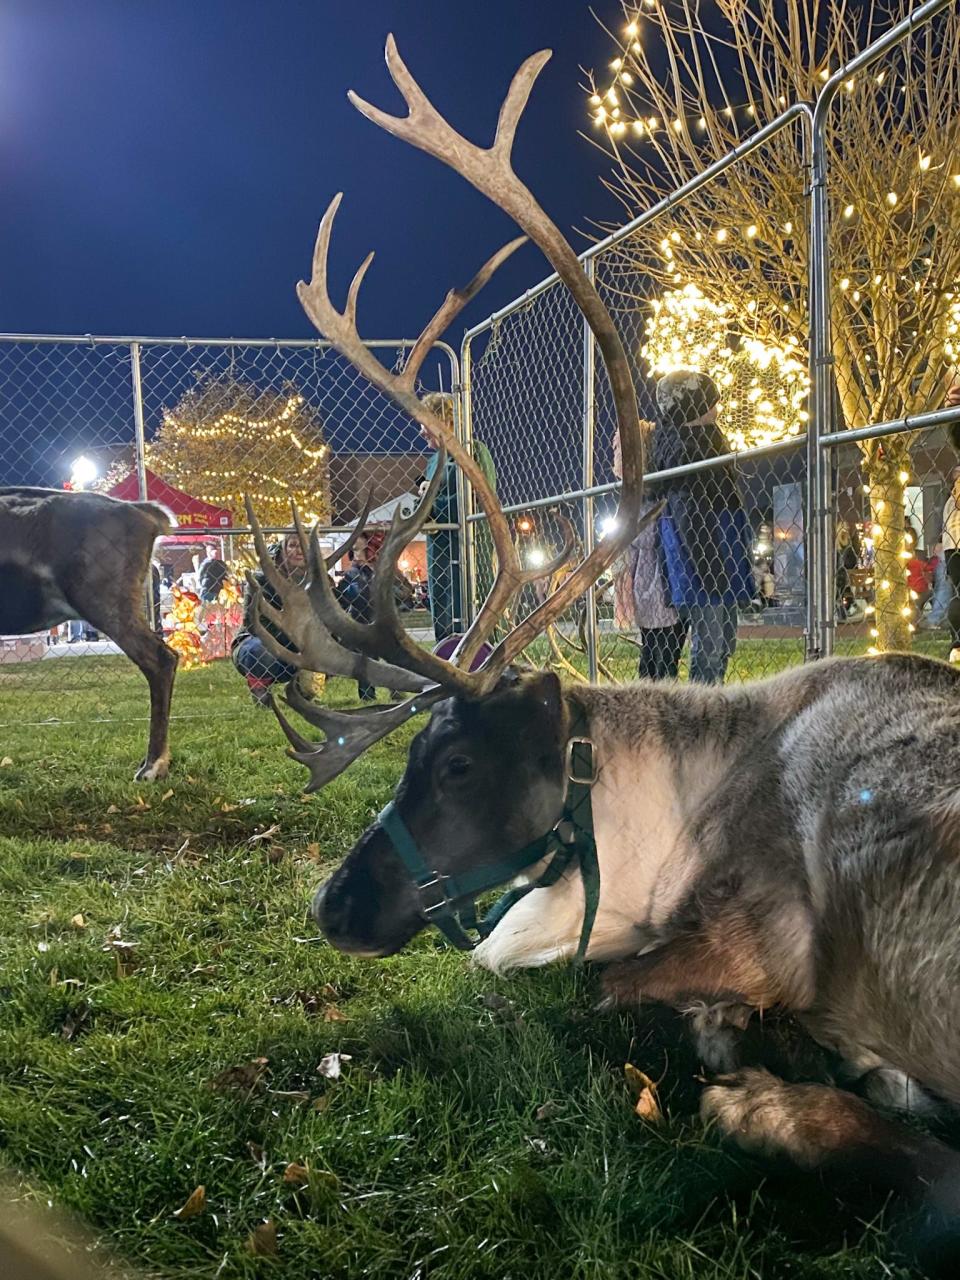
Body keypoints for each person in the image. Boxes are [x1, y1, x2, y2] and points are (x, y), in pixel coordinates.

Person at [652, 370, 754, 685]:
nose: (718, 407)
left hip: (720, 554)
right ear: (692, 406)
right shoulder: (686, 451)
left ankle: (713, 702)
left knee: (723, 642)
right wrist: (712, 574)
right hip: (704, 561)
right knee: (710, 647)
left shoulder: (709, 441)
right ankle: (702, 714)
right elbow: (689, 519)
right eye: (711, 401)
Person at [419, 392, 497, 641]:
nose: (421, 431)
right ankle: (447, 658)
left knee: (471, 602)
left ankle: (482, 658)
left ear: (446, 421)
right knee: (442, 606)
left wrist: (432, 503)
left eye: (425, 423)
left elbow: (479, 499)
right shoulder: (433, 462)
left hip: (468, 544)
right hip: (439, 545)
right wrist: (424, 502)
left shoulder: (473, 451)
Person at [612, 422, 686, 678]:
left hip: (658, 582)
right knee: (658, 654)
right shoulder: (643, 498)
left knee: (660, 654)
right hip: (652, 583)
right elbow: (644, 539)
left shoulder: (652, 495)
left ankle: (655, 700)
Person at [232, 532, 309, 706]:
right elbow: (253, 624)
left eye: (304, 546)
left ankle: (303, 691)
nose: (299, 551)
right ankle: (260, 691)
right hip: (262, 641)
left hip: (300, 645)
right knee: (259, 650)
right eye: (293, 545)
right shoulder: (262, 578)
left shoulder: (316, 580)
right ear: (283, 548)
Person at [334, 531, 378, 702]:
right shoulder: (352, 574)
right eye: (355, 549)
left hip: (376, 619)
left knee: (373, 658)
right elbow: (341, 599)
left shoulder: (374, 571)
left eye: (363, 549)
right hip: (359, 621)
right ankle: (367, 693)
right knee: (364, 658)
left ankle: (382, 689)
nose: (359, 555)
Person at [940, 466, 960, 661]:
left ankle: (956, 642)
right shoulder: (954, 500)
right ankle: (957, 643)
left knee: (958, 593)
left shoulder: (949, 502)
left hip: (951, 550)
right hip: (956, 548)